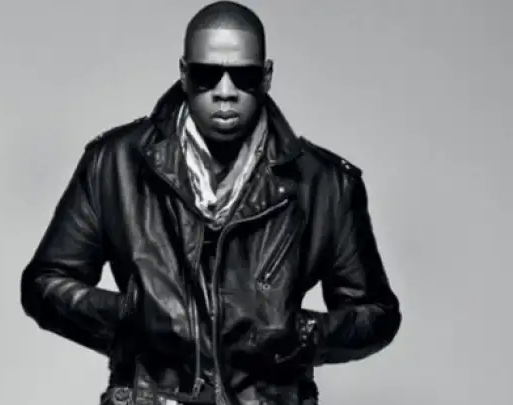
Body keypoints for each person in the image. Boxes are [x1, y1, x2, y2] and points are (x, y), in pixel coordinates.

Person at [20, 1, 402, 404]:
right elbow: (44, 284)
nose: (225, 92)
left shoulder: (326, 183)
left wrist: (301, 335)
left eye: (244, 77)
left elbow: (376, 314)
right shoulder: (114, 164)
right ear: (184, 74)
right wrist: (131, 316)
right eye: (207, 75)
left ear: (267, 76)